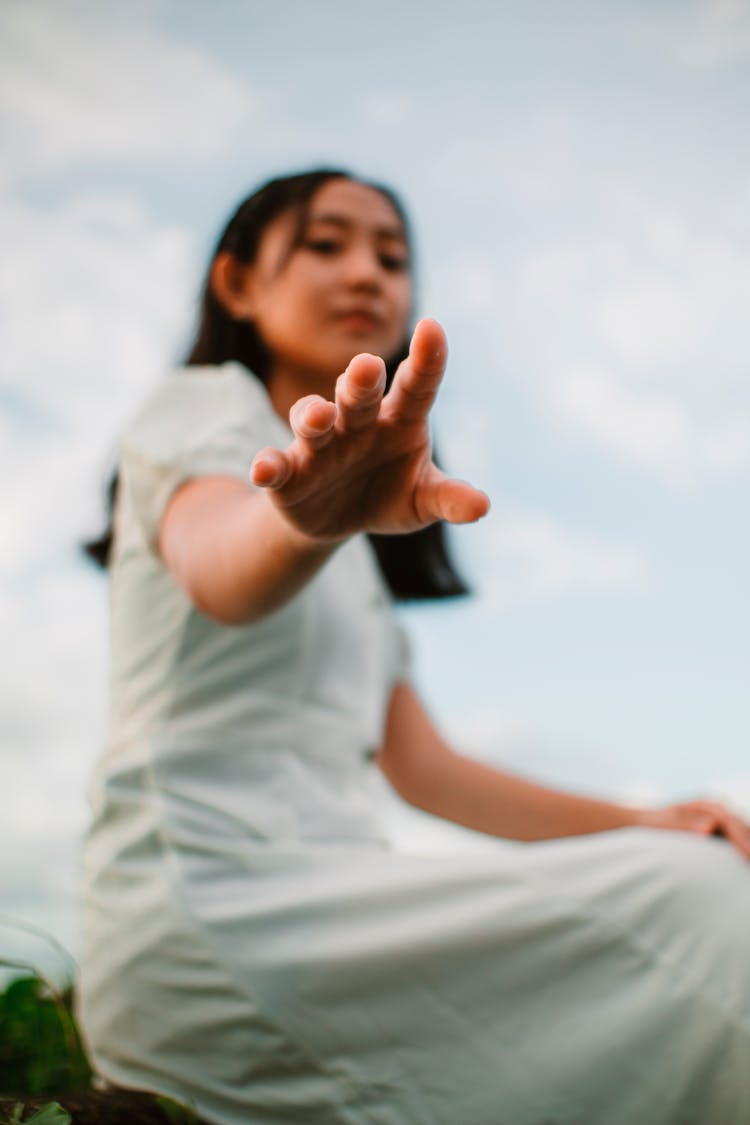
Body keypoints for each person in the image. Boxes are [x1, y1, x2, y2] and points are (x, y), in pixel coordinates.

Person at [78, 168, 750, 1125]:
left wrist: (648, 821)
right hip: (211, 907)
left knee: (706, 873)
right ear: (237, 284)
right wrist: (299, 527)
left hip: (344, 898)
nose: (367, 274)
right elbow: (221, 566)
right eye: (326, 243)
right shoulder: (199, 409)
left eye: (392, 258)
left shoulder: (359, 579)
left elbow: (431, 773)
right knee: (707, 910)